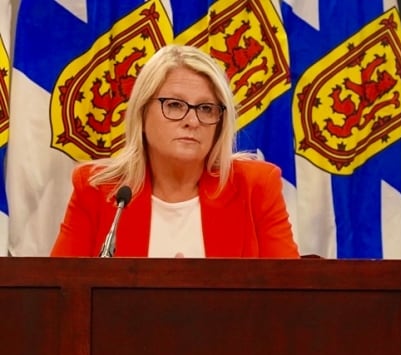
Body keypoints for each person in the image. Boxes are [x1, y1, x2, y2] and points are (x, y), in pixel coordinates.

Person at [50, 44, 299, 258]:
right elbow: (59, 298)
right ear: (142, 112)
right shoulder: (98, 191)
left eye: (205, 108)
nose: (192, 120)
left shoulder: (255, 187)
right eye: (174, 105)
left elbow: (291, 297)